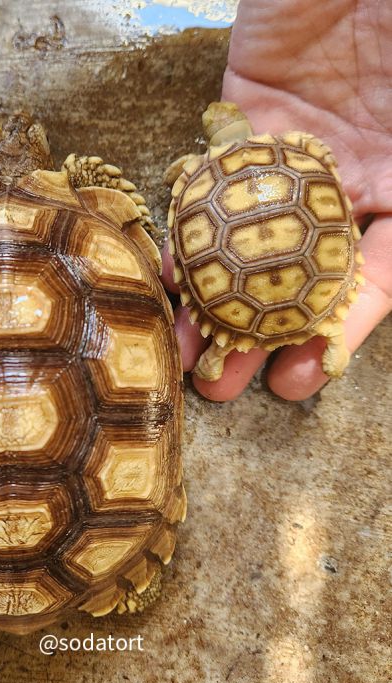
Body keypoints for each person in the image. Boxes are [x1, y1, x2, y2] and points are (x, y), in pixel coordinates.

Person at [161, 0, 392, 401]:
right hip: (314, 295)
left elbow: (175, 180)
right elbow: (319, 153)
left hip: (237, 311)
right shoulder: (297, 151)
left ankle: (220, 351)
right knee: (329, 320)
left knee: (220, 346)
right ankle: (330, 340)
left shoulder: (192, 175)